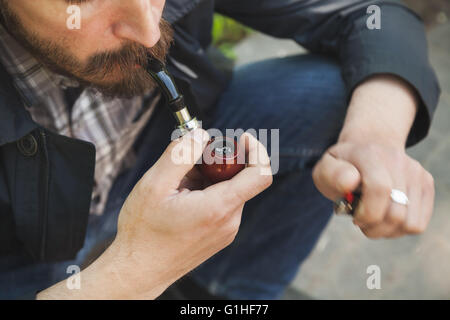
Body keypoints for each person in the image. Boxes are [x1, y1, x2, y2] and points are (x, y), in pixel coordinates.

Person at [0, 0, 440, 300]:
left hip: (139, 158)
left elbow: (372, 14)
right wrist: (129, 275)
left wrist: (374, 137)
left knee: (336, 95)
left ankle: (218, 294)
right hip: (19, 255)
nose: (150, 31)